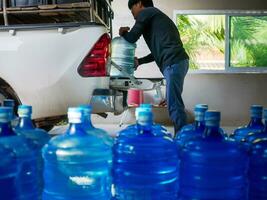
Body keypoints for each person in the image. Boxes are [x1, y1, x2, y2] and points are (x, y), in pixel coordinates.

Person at [119, 0, 189, 134]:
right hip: (179, 61)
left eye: (131, 8)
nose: (133, 14)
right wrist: (140, 61)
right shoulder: (156, 16)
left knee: (174, 105)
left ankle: (182, 139)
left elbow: (132, 37)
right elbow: (158, 51)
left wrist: (123, 33)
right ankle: (182, 136)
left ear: (139, 3)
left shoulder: (146, 12)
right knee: (173, 102)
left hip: (173, 63)